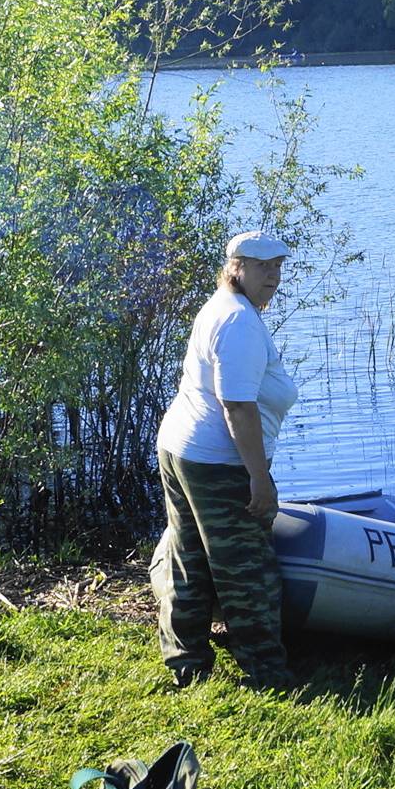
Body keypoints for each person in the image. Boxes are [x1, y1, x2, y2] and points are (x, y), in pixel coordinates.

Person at [153, 229, 300, 686]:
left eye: (278, 266)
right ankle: (264, 671)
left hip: (181, 447)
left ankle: (186, 663)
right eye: (262, 267)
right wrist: (259, 478)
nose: (273, 276)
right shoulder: (238, 321)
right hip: (217, 461)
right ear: (236, 267)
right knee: (246, 568)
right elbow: (237, 406)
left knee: (189, 556)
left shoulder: (224, 306)